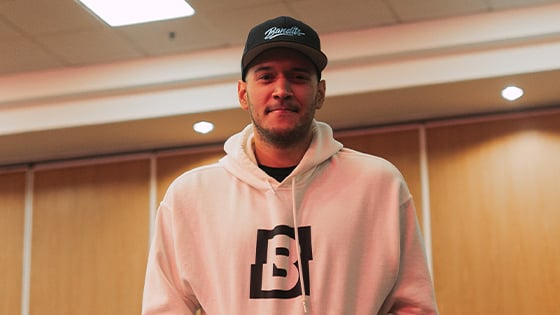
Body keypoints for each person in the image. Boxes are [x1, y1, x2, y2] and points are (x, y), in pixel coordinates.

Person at [142, 16, 439, 314]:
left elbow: (413, 306)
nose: (281, 89)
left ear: (320, 92)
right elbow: (165, 307)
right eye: (266, 76)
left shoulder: (378, 184)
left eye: (297, 77)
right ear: (243, 94)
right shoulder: (191, 195)